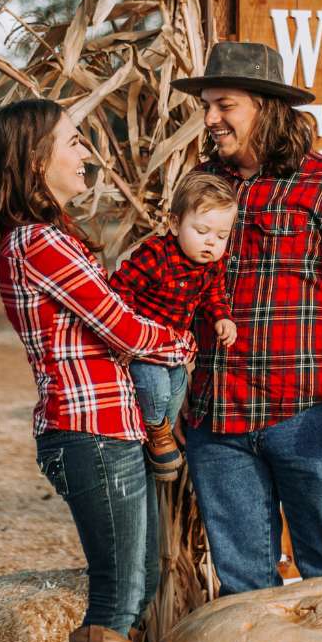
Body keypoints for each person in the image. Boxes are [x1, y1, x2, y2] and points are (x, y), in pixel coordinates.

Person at [0, 97, 193, 642]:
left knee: (136, 582)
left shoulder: (36, 236)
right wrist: (180, 342)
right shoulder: (39, 241)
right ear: (36, 160)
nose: (87, 152)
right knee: (121, 589)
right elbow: (121, 328)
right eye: (73, 141)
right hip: (91, 430)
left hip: (97, 428)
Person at [168, 41, 322, 595]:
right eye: (206, 105)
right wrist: (175, 393)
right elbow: (174, 288)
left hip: (307, 416)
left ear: (266, 107)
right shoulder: (203, 186)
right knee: (243, 587)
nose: (210, 118)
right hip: (217, 419)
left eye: (224, 104)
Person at [107, 171, 240, 480]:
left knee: (177, 387)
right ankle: (157, 432)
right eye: (203, 230)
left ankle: (156, 432)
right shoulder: (155, 255)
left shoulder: (211, 265)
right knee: (154, 383)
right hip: (143, 343)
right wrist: (127, 325)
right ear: (176, 223)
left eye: (221, 236)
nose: (211, 241)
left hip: (174, 346)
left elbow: (213, 294)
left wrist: (222, 317)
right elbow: (120, 287)